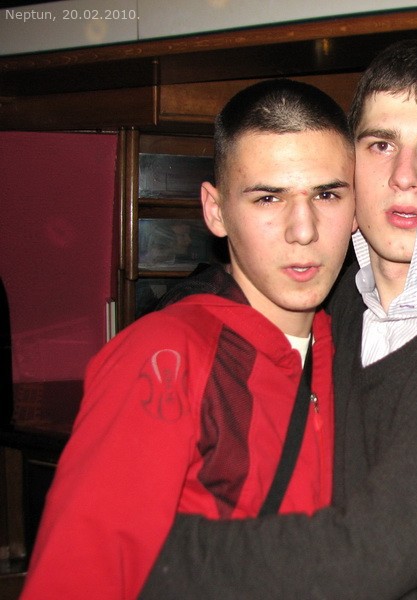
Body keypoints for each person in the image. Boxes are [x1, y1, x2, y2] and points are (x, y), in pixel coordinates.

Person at [141, 39, 417, 599]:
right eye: (381, 145)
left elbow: (372, 552)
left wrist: (145, 553)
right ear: (349, 163)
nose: (405, 176)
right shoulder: (332, 305)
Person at [20, 79, 357, 599]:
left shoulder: (361, 346)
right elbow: (78, 576)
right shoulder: (164, 356)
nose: (304, 230)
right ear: (215, 210)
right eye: (268, 197)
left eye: (327, 195)